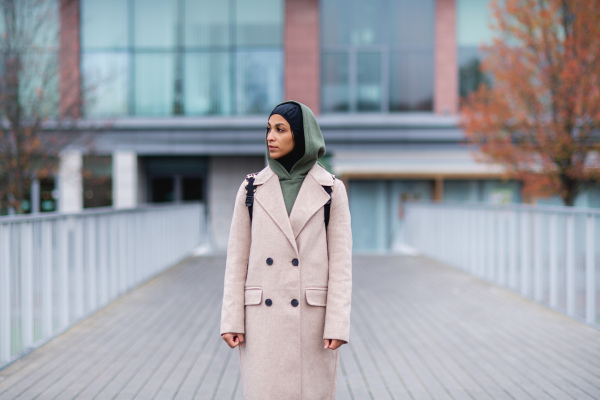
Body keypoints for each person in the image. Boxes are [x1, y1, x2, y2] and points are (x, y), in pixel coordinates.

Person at [220, 100, 353, 399]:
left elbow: (341, 266)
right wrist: (231, 319)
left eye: (280, 129)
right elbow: (236, 261)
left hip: (312, 322)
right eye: (268, 129)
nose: (270, 136)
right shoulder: (251, 188)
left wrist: (338, 324)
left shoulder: (332, 190)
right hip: (262, 323)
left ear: (302, 135)